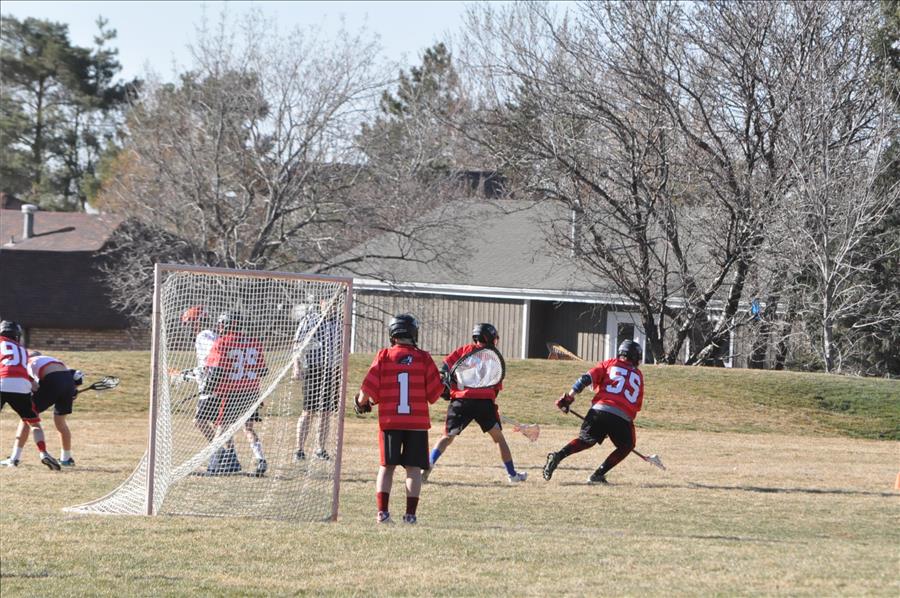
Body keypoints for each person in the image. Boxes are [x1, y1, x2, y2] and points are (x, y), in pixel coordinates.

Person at [354, 314, 443, 524]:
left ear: (392, 334)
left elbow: (366, 391)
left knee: (387, 467)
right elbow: (434, 395)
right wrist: (444, 382)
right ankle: (410, 515)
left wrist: (360, 403)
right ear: (413, 334)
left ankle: (383, 513)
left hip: (390, 422)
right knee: (413, 469)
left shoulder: (384, 356)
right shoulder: (423, 358)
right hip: (417, 423)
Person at [425, 323, 527, 484]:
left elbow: (444, 369)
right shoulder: (494, 357)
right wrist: (490, 406)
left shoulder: (464, 350)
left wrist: (449, 386)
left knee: (447, 437)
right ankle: (512, 474)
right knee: (499, 439)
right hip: (484, 403)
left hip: (461, 401)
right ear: (490, 338)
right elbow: (496, 387)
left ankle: (429, 464)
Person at [543, 339, 645, 484]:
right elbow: (636, 406)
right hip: (621, 416)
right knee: (627, 446)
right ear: (635, 357)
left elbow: (585, 379)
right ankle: (597, 475)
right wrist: (614, 425)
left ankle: (559, 455)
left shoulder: (609, 364)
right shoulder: (638, 376)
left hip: (599, 410)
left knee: (585, 441)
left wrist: (568, 398)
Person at [204, 311, 269, 476]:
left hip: (231, 392)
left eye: (222, 324)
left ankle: (216, 463)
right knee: (248, 428)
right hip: (251, 392)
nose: (220, 327)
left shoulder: (222, 342)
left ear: (228, 324)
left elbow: (217, 370)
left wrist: (209, 388)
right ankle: (260, 458)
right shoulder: (254, 342)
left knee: (222, 428)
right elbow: (263, 370)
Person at [4, 351, 82, 467]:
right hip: (68, 381)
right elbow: (77, 376)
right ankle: (66, 459)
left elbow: (35, 386)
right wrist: (73, 390)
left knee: (27, 418)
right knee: (61, 423)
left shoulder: (27, 362)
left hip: (52, 380)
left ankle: (14, 458)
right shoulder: (52, 360)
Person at [0, 320, 60, 470]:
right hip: (22, 385)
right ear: (17, 335)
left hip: (2, 381)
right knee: (34, 424)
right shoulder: (22, 349)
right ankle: (43, 453)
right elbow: (21, 370)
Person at [293, 295, 342, 462]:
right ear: (322, 303)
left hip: (330, 370)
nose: (332, 307)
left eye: (335, 304)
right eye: (329, 303)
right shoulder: (310, 320)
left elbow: (340, 348)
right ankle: (299, 449)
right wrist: (297, 367)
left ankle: (320, 449)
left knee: (326, 412)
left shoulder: (339, 323)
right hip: (313, 368)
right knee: (308, 411)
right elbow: (297, 344)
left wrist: (338, 371)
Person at [179, 305, 219, 443]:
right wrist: (195, 372)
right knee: (217, 423)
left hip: (212, 386)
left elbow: (215, 354)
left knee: (200, 421)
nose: (188, 329)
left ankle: (222, 453)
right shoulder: (210, 334)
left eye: (189, 324)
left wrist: (201, 372)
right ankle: (227, 453)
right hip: (214, 384)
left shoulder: (203, 335)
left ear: (197, 322)